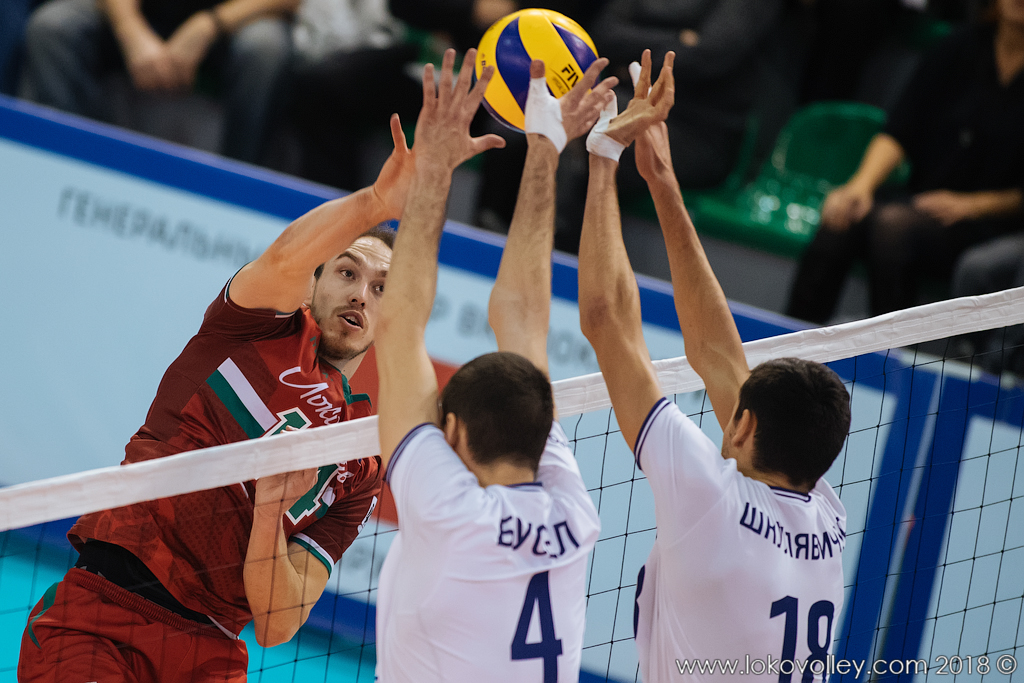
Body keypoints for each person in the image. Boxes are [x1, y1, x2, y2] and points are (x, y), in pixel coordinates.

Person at [18, 115, 416, 680]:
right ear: (312, 285)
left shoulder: (360, 458)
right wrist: (375, 202)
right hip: (105, 610)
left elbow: (277, 625)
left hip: (211, 652)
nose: (361, 295)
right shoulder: (253, 328)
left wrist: (272, 509)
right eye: (347, 273)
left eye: (381, 289)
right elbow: (283, 259)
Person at [577, 50, 851, 682]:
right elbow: (719, 356)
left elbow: (605, 319)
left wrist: (603, 156)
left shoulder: (710, 498)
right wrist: (662, 181)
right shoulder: (824, 515)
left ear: (743, 425)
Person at [373, 48, 612, 681]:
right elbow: (523, 317)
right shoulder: (572, 513)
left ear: (452, 432)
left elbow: (396, 325)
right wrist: (545, 149)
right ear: (543, 432)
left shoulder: (451, 510)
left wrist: (434, 168)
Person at [786, 0, 1024, 324]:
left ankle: (894, 353)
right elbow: (900, 129)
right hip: (922, 202)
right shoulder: (959, 46)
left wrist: (974, 206)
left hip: (995, 225)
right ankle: (792, 345)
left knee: (893, 228)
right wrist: (860, 186)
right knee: (842, 219)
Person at [20, 0, 296, 163]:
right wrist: (130, 28)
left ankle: (239, 196)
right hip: (141, 15)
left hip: (233, 22)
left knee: (265, 49)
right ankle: (65, 168)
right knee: (53, 28)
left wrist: (209, 25)